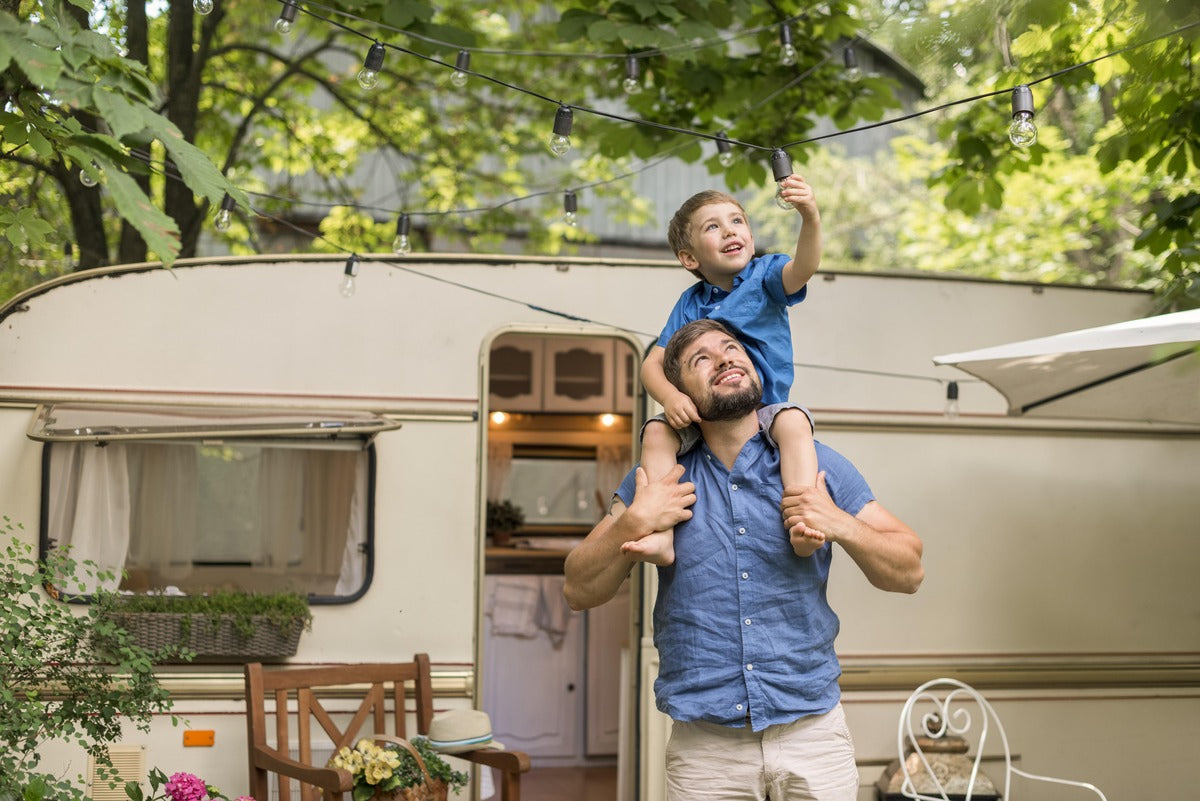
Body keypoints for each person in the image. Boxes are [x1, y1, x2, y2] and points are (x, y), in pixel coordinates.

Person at [563, 320, 924, 801]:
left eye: (732, 349)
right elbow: (578, 588)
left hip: (813, 736)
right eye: (702, 360)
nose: (726, 359)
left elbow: (910, 570)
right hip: (706, 750)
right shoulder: (658, 478)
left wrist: (837, 521)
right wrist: (633, 521)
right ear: (680, 395)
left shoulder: (815, 464)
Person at [633, 177, 823, 567]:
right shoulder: (690, 303)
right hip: (708, 415)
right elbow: (652, 363)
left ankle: (803, 520)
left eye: (737, 221)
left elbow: (804, 266)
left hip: (763, 408)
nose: (729, 231)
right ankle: (660, 534)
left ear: (751, 236)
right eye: (713, 227)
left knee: (795, 426)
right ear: (689, 259)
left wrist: (809, 216)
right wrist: (671, 398)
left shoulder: (766, 276)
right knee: (654, 431)